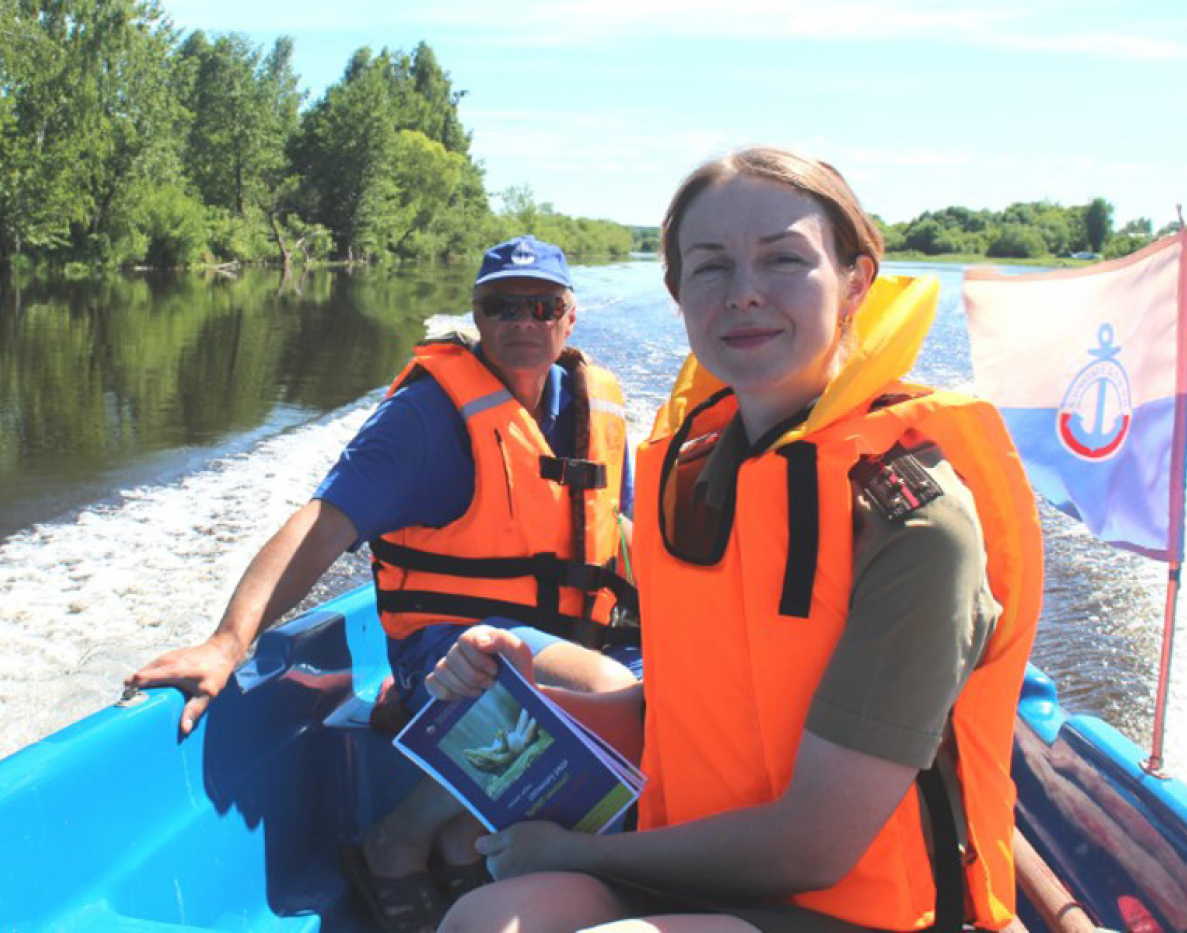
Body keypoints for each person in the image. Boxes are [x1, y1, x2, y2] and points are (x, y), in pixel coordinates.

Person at [425, 148, 1044, 933]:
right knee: (485, 919)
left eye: (784, 260)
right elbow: (682, 717)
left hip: (861, 911)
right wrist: (524, 704)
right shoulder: (703, 472)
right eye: (710, 267)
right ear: (678, 293)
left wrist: (576, 853)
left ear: (856, 282)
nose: (744, 293)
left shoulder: (915, 523)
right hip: (706, 874)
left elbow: (812, 848)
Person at [126, 234, 640, 933]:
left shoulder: (592, 408)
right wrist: (227, 641)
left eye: (542, 306)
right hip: (450, 647)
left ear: (569, 317)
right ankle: (394, 842)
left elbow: (624, 537)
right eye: (502, 306)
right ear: (477, 316)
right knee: (610, 694)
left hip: (556, 634)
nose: (524, 323)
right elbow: (323, 526)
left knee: (669, 686)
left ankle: (461, 838)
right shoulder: (426, 420)